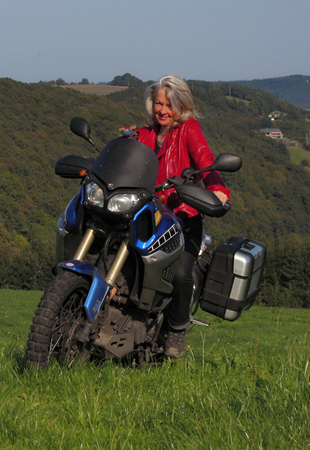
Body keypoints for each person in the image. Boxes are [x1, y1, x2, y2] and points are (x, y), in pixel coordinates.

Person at [136, 74, 230, 358]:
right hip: (146, 217)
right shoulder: (146, 133)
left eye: (168, 105)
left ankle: (177, 330)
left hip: (181, 220)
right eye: (158, 104)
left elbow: (206, 161)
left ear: (181, 105)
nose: (162, 110)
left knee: (178, 274)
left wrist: (217, 189)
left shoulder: (189, 129)